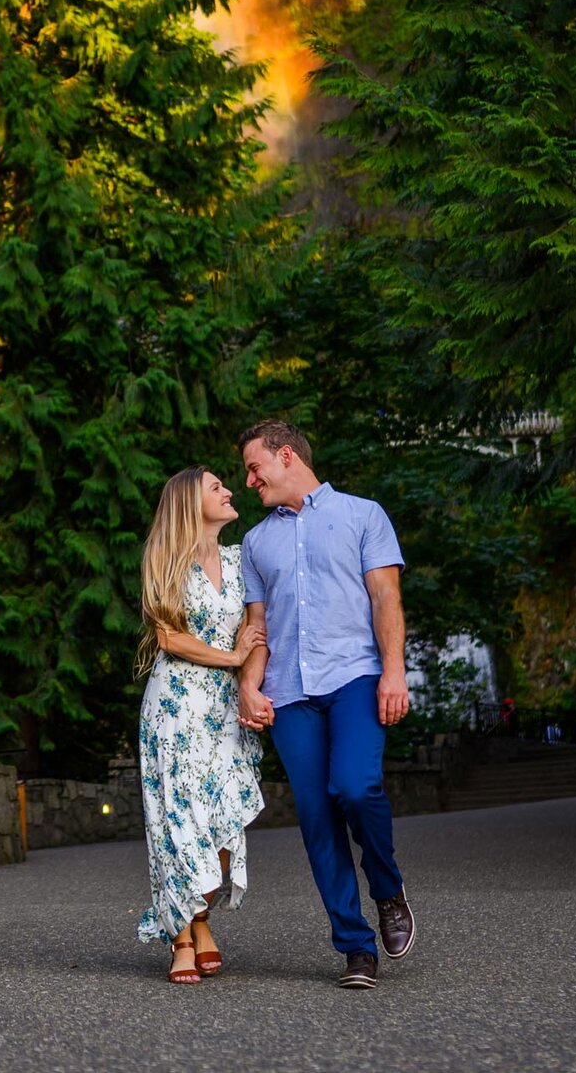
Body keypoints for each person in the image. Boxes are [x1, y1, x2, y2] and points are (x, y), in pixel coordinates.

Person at [235, 419, 414, 989]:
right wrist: (248, 686)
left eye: (253, 467)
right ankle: (356, 948)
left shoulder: (364, 515)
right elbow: (257, 627)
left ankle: (387, 890)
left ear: (285, 455)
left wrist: (395, 672)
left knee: (356, 788)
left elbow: (386, 596)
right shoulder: (257, 543)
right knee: (316, 819)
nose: (248, 481)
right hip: (289, 695)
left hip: (356, 676)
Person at [133, 466, 267, 983]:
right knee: (178, 823)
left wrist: (248, 676)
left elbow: (258, 628)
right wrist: (233, 658)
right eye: (216, 487)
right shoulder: (167, 560)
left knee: (222, 820)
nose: (230, 491)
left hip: (223, 711)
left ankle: (200, 917)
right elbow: (169, 639)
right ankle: (184, 936)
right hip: (175, 707)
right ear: (191, 504)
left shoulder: (241, 562)